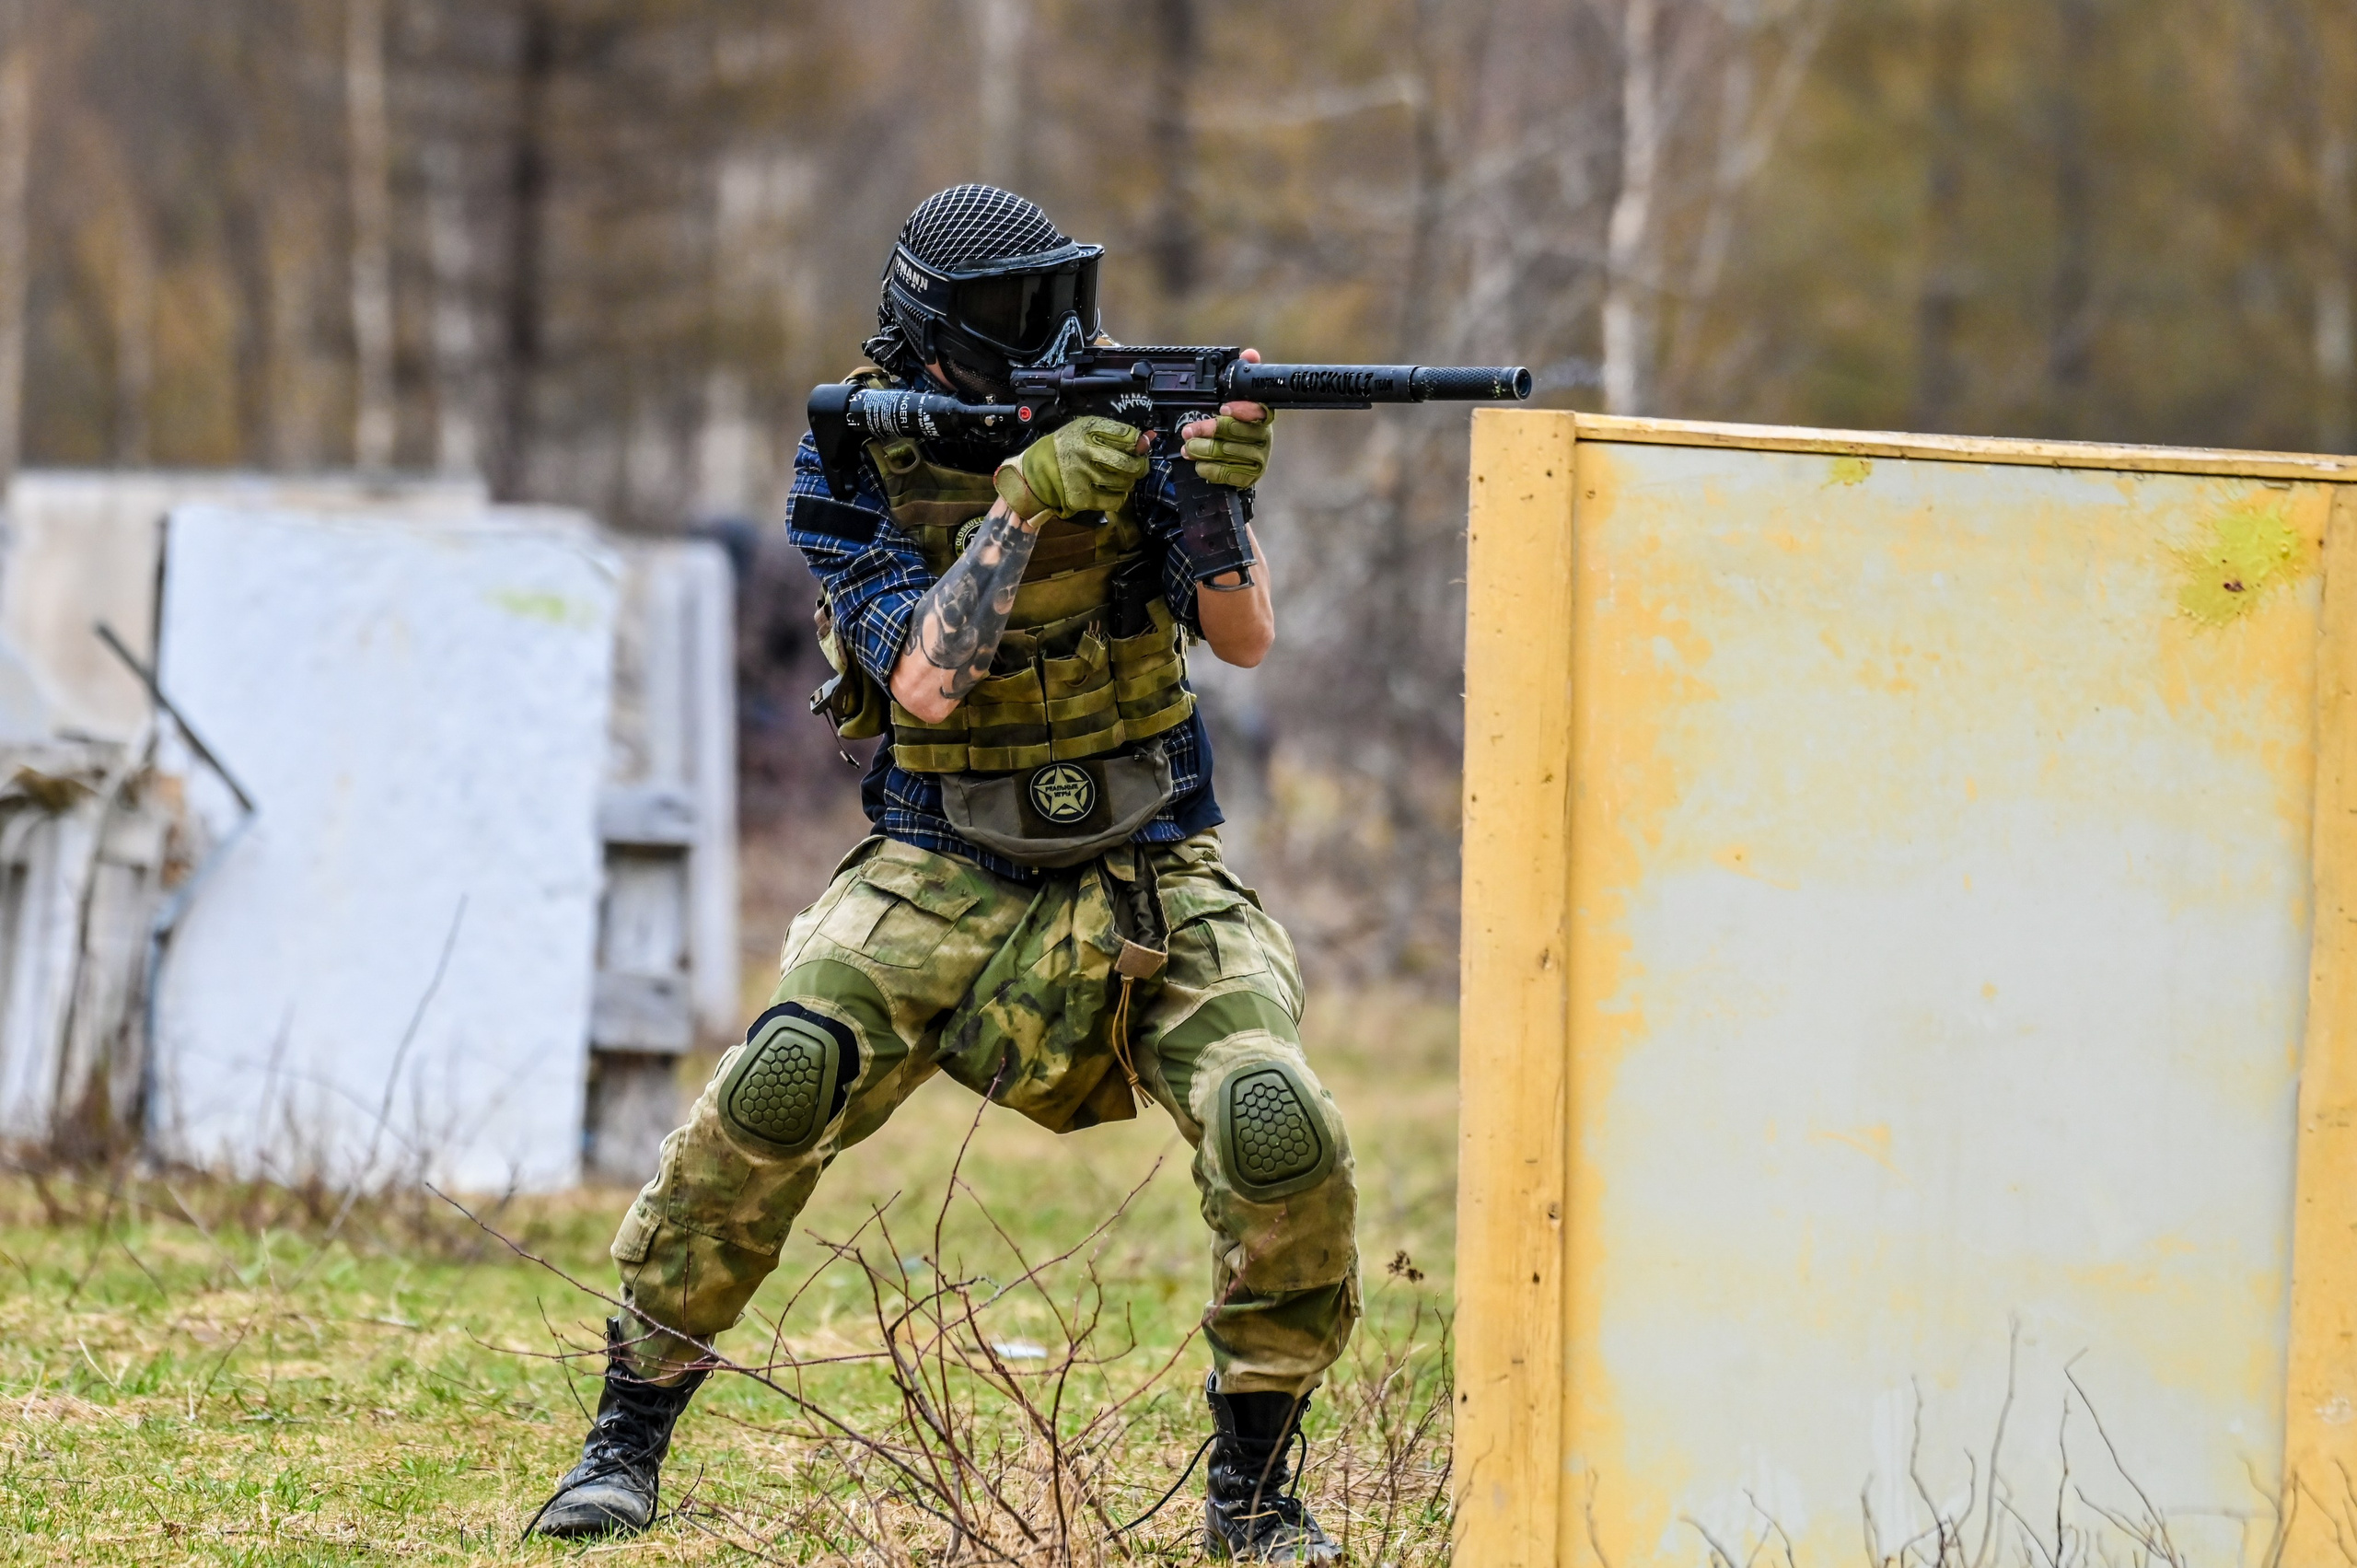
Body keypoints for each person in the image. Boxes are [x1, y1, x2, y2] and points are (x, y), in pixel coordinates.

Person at [528, 184, 1357, 1562]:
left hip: (1152, 861)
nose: (1048, 337)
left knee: (1278, 1122)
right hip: (942, 855)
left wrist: (1209, 503)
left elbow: (1246, 638)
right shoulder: (855, 445)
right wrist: (1021, 514)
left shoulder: (1126, 413)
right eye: (1013, 317)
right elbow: (921, 683)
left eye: (1057, 304)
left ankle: (1256, 1495)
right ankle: (627, 1434)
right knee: (773, 1088)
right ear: (935, 332)